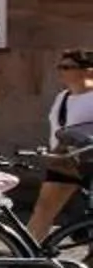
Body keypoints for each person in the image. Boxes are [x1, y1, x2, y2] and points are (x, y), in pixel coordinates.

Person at [29, 49, 93, 241]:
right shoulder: (62, 97)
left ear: (88, 70)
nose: (61, 71)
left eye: (67, 67)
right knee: (43, 210)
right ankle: (25, 259)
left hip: (90, 162)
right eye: (60, 67)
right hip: (64, 161)